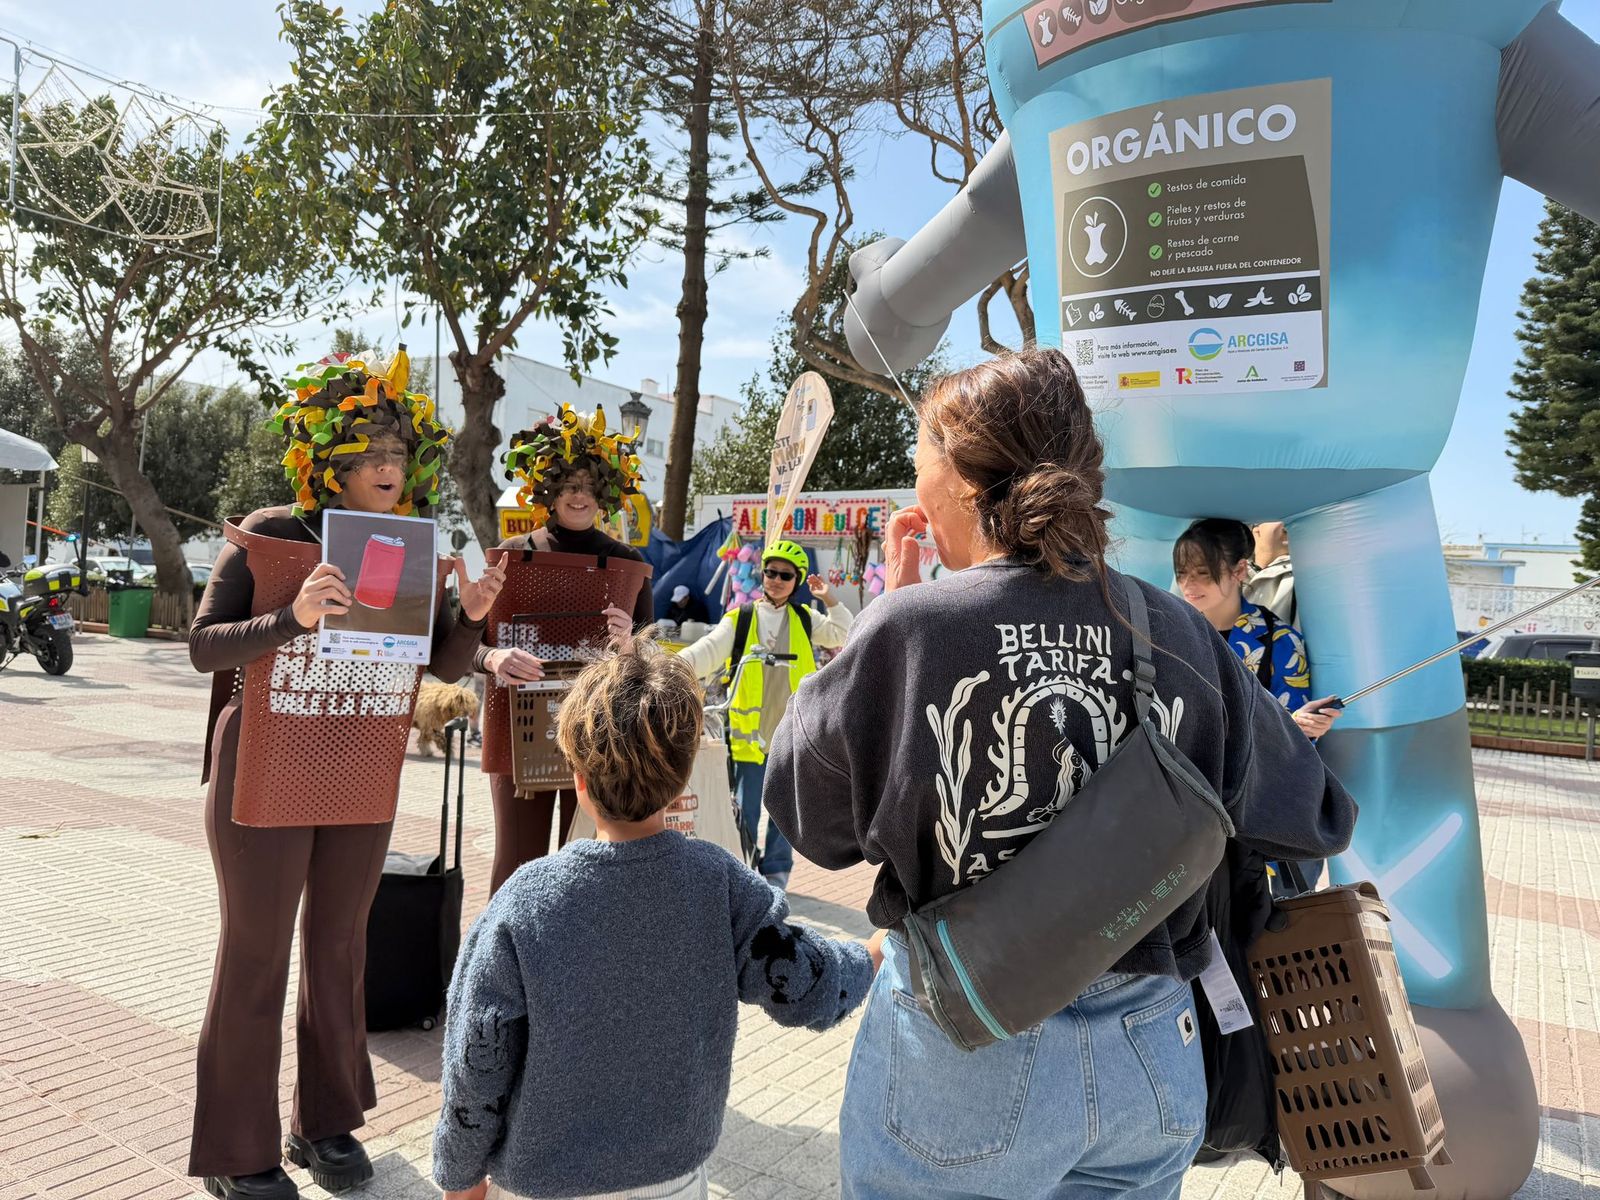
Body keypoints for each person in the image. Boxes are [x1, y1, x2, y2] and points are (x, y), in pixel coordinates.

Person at [762, 348, 1355, 1200]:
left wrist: (886, 615)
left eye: (918, 457)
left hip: (965, 1049)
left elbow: (809, 818)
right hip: (1153, 1052)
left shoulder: (909, 629)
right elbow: (1315, 815)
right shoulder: (1179, 633)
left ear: (964, 479)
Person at [188, 353, 504, 1200]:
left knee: (338, 949)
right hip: (262, 763)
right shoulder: (273, 532)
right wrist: (288, 618)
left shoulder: (412, 546)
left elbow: (435, 661)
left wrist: (469, 619)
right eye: (369, 453)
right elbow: (202, 644)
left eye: (399, 452)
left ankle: (322, 1123)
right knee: (255, 956)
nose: (389, 468)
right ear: (327, 461)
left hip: (361, 763)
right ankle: (234, 1147)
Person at [431, 633, 874, 1200]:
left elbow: (478, 1058)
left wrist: (460, 1177)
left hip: (542, 1181)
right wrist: (868, 955)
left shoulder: (525, 901)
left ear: (580, 780)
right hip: (674, 1176)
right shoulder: (719, 882)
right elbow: (802, 981)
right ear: (683, 776)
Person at [474, 404, 654, 894]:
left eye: (590, 487)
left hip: (597, 735)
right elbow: (474, 643)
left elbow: (652, 665)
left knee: (585, 865)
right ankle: (501, 964)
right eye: (569, 485)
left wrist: (630, 644)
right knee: (516, 866)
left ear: (606, 494)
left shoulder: (626, 563)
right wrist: (492, 659)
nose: (579, 496)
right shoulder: (512, 555)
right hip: (518, 730)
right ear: (547, 489)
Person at [678, 539, 853, 891]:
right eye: (770, 572)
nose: (775, 579)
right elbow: (704, 653)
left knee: (785, 810)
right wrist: (666, 668)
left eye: (785, 575)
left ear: (797, 580)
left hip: (792, 734)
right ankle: (744, 873)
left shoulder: (805, 619)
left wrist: (829, 598)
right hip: (748, 735)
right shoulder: (740, 619)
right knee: (746, 809)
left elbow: (845, 632)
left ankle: (776, 874)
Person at [1173, 517, 1339, 742]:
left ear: (1240, 569)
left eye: (1204, 573)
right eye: (1182, 572)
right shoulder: (1170, 634)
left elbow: (1294, 741)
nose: (1189, 584)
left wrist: (1305, 726)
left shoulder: (1281, 641)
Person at [1245, 520, 1297, 628]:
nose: (1286, 523)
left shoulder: (1302, 577)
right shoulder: (1231, 575)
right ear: (1256, 531)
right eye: (1276, 516)